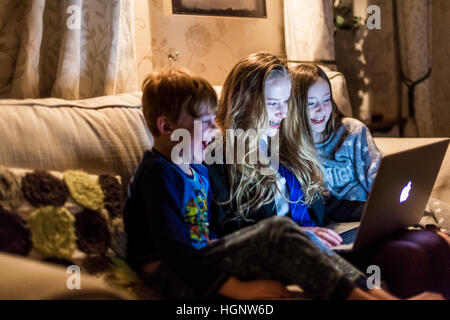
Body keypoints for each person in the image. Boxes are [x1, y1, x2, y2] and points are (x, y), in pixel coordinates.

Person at [122, 67, 417, 300]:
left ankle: (376, 294)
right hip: (171, 273)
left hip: (205, 258)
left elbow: (208, 234)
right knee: (281, 231)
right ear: (166, 126)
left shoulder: (196, 170)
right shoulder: (158, 174)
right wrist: (238, 287)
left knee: (305, 237)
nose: (215, 131)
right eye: (207, 122)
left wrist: (378, 210)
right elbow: (176, 251)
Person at [289, 63, 450, 298]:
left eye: (326, 100)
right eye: (311, 103)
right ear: (293, 107)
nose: (320, 110)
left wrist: (411, 218)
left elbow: (381, 184)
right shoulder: (291, 149)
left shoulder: (353, 132)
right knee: (410, 255)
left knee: (435, 244)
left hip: (375, 222)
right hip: (338, 234)